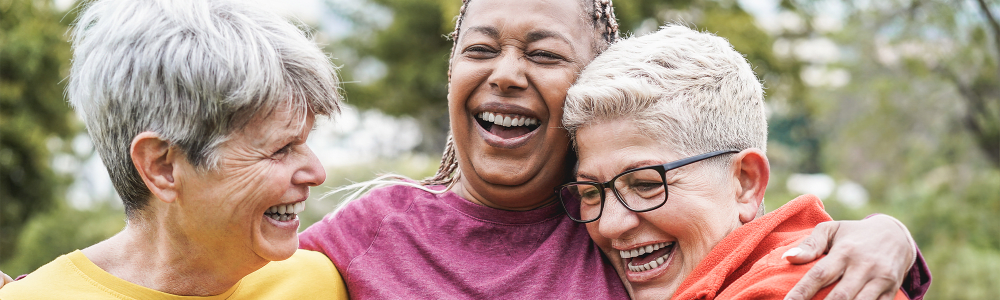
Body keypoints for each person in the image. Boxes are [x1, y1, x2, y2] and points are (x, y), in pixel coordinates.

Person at [298, 0, 929, 299]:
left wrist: (885, 237)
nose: (507, 74)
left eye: (544, 54)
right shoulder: (372, 229)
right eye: (479, 49)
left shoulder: (611, 231)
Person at [0, 0, 348, 298]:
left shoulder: (328, 284)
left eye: (305, 140)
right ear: (162, 166)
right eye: (281, 148)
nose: (317, 173)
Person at [558, 24, 920, 299]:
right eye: (591, 193)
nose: (609, 225)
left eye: (646, 184)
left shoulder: (806, 288)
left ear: (745, 183)